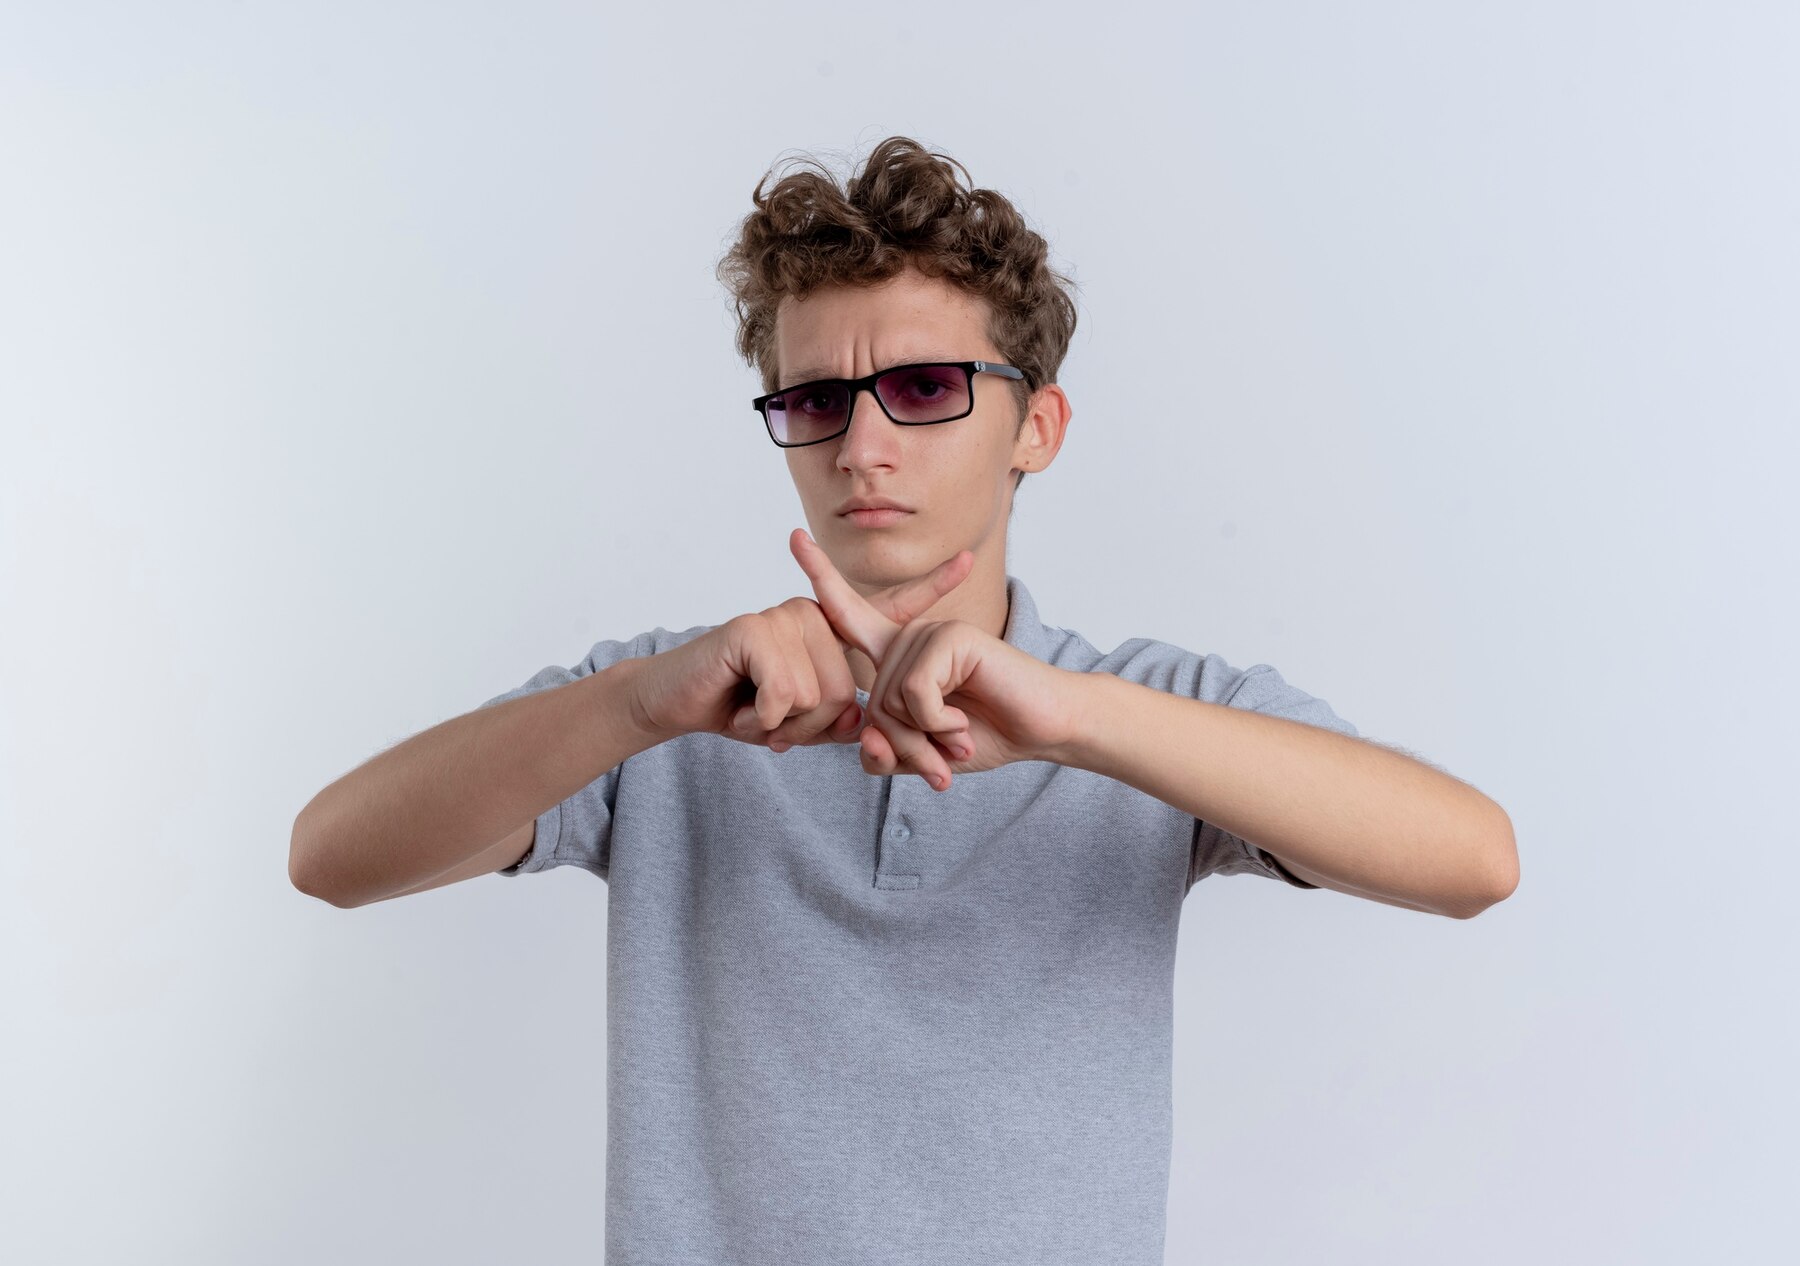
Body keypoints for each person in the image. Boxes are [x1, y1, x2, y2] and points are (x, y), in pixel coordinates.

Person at [290, 136, 1519, 1265]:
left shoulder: (1153, 709)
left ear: (1037, 426)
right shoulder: (675, 705)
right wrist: (637, 711)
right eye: (815, 400)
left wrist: (1077, 722)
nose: (860, 448)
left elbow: (1473, 860)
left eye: (925, 389)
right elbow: (331, 858)